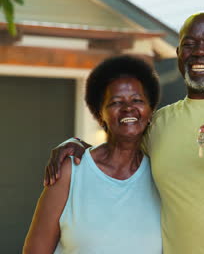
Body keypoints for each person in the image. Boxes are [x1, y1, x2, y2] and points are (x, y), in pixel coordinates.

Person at [44, 12, 204, 254]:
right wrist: (77, 144)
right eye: (189, 44)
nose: (200, 52)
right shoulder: (159, 123)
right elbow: (119, 151)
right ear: (179, 54)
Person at [24, 55, 163, 253]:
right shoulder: (70, 172)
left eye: (137, 100)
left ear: (150, 112)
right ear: (100, 115)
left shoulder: (161, 173)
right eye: (116, 102)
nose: (128, 108)